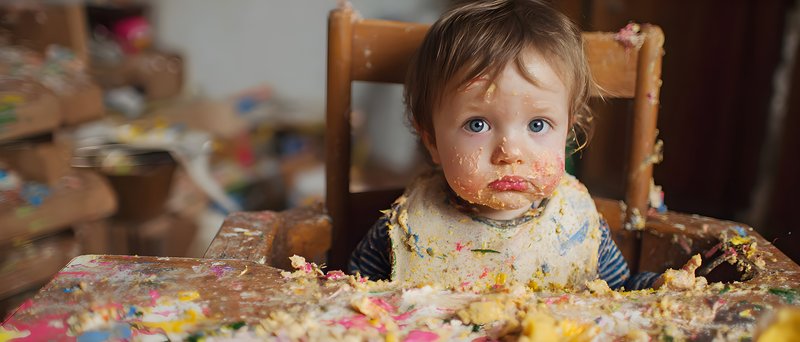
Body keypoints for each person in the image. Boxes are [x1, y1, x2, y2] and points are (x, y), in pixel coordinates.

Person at [348, 0, 660, 291]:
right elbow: (352, 294)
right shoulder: (405, 226)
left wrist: (654, 287)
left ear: (567, 131)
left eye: (537, 125)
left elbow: (620, 293)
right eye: (477, 124)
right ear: (431, 141)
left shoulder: (575, 223)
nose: (510, 152)